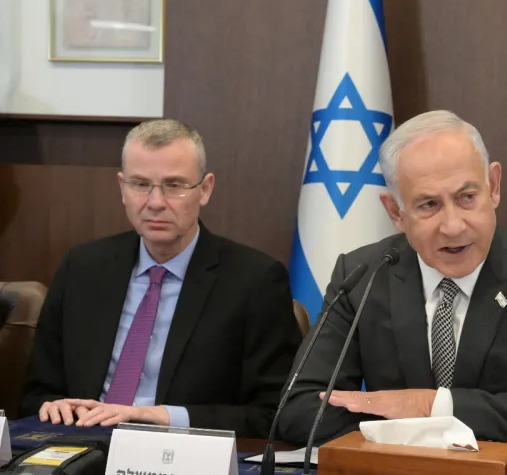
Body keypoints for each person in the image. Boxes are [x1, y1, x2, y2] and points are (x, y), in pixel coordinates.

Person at [277, 110, 507, 463]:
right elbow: (298, 409)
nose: (453, 226)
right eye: (429, 205)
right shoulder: (361, 276)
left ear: (493, 186)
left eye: (466, 197)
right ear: (395, 212)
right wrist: (419, 433)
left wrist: (430, 405)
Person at [21, 119, 300, 438]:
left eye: (174, 185)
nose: (155, 202)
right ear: (122, 188)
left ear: (205, 189)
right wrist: (53, 406)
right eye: (140, 184)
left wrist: (163, 416)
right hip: (81, 448)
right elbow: (36, 394)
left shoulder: (254, 281)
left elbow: (274, 413)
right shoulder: (82, 268)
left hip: (179, 461)